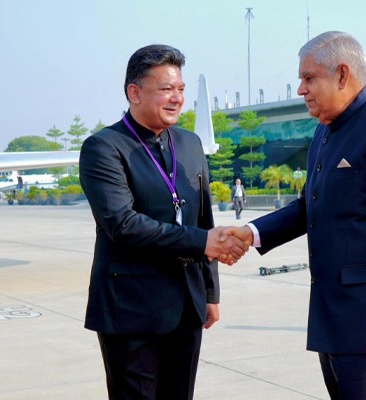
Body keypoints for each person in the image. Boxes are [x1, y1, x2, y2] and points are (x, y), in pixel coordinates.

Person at [227, 31, 366, 399]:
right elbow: (308, 206)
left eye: (309, 78)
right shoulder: (324, 133)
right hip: (332, 318)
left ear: (342, 74)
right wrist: (251, 232)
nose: (301, 90)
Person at [79, 44, 248, 400]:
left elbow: (203, 218)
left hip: (187, 305)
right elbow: (122, 224)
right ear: (135, 92)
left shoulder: (190, 144)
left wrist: (210, 293)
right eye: (166, 89)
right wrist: (202, 243)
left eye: (181, 89)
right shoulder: (104, 148)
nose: (177, 98)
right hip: (132, 310)